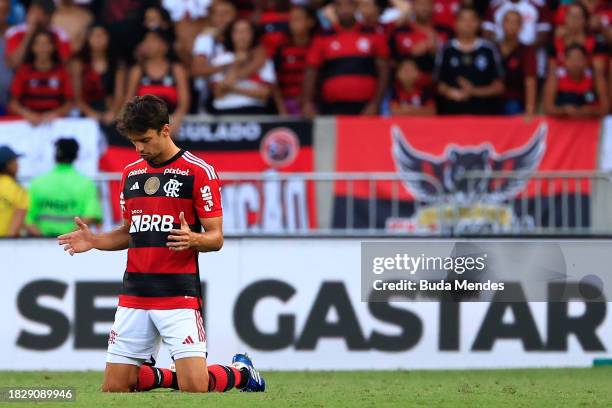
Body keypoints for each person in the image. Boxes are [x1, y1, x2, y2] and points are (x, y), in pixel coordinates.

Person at [57, 94, 266, 393]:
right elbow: (131, 232)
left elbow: (216, 237)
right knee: (115, 388)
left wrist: (195, 239)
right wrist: (95, 240)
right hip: (135, 295)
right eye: (133, 142)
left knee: (195, 387)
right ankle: (168, 374)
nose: (140, 148)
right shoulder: (131, 174)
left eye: (145, 139)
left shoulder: (198, 172)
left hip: (177, 295)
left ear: (165, 130)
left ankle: (243, 373)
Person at [303, 0, 389, 116]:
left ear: (356, 6)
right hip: (331, 108)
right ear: (334, 8)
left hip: (366, 109)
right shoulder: (323, 36)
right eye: (339, 5)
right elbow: (311, 70)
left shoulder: (373, 34)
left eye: (349, 4)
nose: (344, 9)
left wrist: (375, 103)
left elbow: (383, 71)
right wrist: (307, 102)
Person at [434, 6, 505, 115]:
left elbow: (499, 87)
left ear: (479, 23)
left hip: (484, 113)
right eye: (463, 19)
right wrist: (451, 92)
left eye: (472, 19)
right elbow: (438, 84)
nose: (468, 23)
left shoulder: (488, 49)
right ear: (456, 23)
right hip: (452, 113)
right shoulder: (447, 49)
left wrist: (474, 91)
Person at [26, 138, 102, 237]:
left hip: (41, 244)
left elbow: (27, 219)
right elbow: (90, 216)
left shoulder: (37, 182)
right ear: (76, 156)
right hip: (72, 245)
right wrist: (66, 238)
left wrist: (43, 239)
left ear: (55, 156)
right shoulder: (86, 183)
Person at [125, 29, 190, 136]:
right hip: (143, 124)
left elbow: (184, 101)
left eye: (153, 41)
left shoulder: (176, 69)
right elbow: (129, 99)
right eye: (146, 41)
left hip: (172, 123)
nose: (148, 44)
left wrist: (177, 119)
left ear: (165, 46)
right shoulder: (137, 70)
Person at [210, 18, 277, 114]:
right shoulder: (220, 59)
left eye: (246, 31)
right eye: (237, 31)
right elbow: (218, 93)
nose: (242, 36)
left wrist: (232, 89)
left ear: (253, 34)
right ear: (231, 35)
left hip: (254, 110)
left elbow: (264, 94)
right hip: (224, 111)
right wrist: (237, 63)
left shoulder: (264, 60)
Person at [8, 28, 73, 125]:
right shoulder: (23, 71)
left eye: (46, 44)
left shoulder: (62, 72)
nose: (42, 48)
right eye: (38, 44)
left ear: (53, 47)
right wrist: (27, 114)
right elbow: (13, 103)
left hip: (54, 122)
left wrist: (55, 114)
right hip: (28, 122)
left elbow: (69, 103)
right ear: (33, 47)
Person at [72, 24, 126, 125]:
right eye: (95, 36)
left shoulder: (117, 63)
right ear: (88, 38)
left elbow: (119, 95)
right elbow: (76, 97)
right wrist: (91, 114)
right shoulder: (79, 63)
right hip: (85, 110)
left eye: (102, 35)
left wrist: (112, 112)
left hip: (110, 109)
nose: (98, 39)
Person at [543, 44, 609, 117]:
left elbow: (605, 109)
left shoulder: (595, 77)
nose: (575, 63)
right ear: (565, 61)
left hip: (590, 121)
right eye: (571, 59)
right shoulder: (556, 77)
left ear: (586, 61)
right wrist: (564, 110)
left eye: (579, 59)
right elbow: (548, 108)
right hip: (563, 121)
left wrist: (590, 111)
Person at [274, 5, 317, 115]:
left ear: (310, 22)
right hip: (287, 104)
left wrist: (308, 102)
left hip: (313, 105)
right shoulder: (282, 48)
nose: (293, 23)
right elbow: (275, 82)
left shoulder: (317, 46)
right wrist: (281, 109)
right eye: (292, 19)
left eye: (298, 18)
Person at [4, 0, 71, 69]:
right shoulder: (14, 32)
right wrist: (30, 33)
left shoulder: (59, 34)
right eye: (36, 12)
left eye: (44, 13)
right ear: (29, 12)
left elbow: (65, 65)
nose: (39, 17)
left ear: (50, 16)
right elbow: (14, 64)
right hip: (23, 77)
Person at [497, 10, 537, 115]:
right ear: (502, 24)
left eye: (515, 22)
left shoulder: (526, 51)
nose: (511, 26)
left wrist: (530, 108)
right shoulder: (493, 48)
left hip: (514, 100)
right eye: (508, 22)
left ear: (521, 27)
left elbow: (530, 80)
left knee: (512, 107)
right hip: (491, 97)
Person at [0, 145, 27, 237]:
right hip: (6, 244)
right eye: (15, 161)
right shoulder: (18, 190)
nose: (18, 164)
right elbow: (19, 219)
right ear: (7, 164)